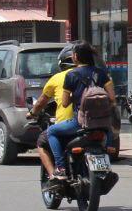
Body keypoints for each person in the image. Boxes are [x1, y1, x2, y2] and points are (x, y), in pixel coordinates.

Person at [46, 41, 116, 180]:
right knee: (107, 132)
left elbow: (65, 103)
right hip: (103, 124)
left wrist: (77, 97)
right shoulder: (101, 73)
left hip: (80, 123)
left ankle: (60, 167)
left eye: (73, 54)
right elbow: (112, 98)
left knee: (51, 131)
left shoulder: (71, 75)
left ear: (76, 56)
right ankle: (108, 148)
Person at [27, 45, 77, 180]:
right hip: (96, 122)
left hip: (72, 123)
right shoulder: (94, 74)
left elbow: (42, 101)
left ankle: (57, 172)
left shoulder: (58, 78)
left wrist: (32, 113)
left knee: (44, 139)